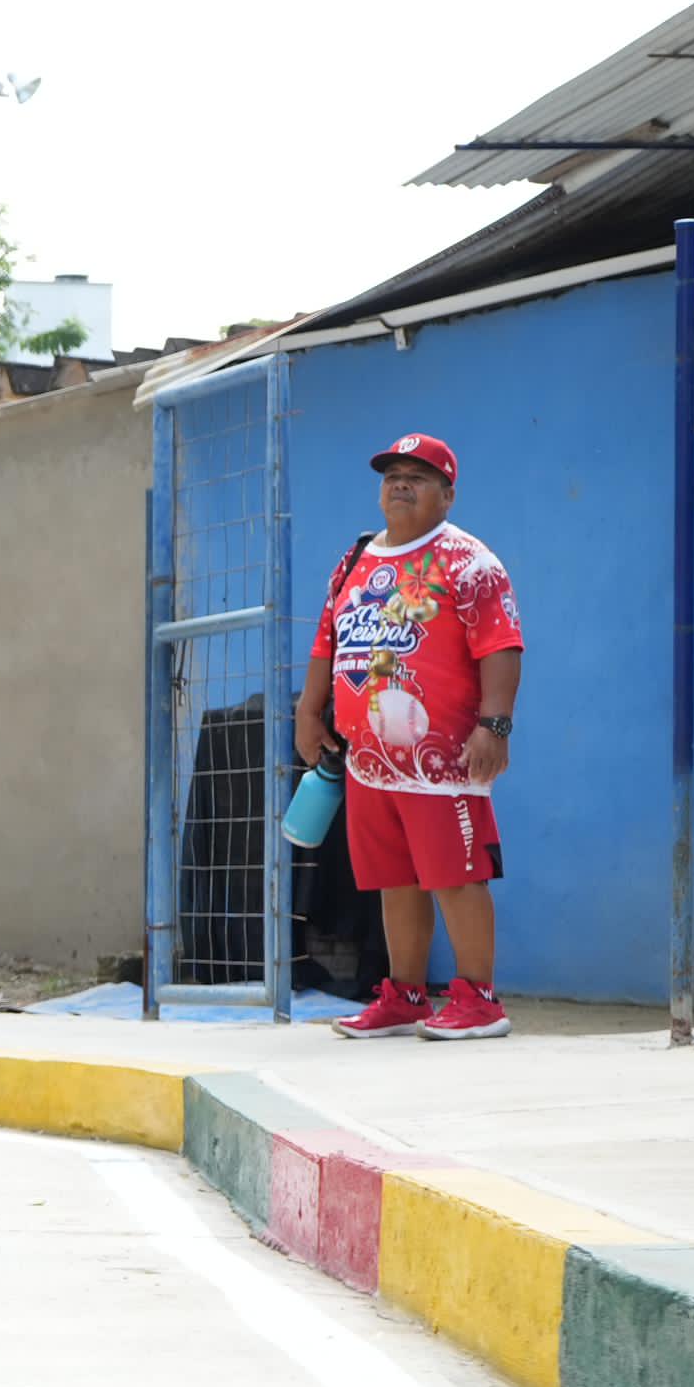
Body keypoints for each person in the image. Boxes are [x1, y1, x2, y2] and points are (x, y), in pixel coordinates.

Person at [296, 430, 526, 1042]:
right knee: (393, 880)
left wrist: (495, 727)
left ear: (447, 495)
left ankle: (479, 1001)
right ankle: (404, 996)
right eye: (392, 475)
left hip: (443, 760)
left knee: (455, 874)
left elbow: (501, 646)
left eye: (418, 477)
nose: (401, 484)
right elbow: (327, 641)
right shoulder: (355, 561)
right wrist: (309, 712)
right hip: (368, 763)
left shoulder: (469, 562)